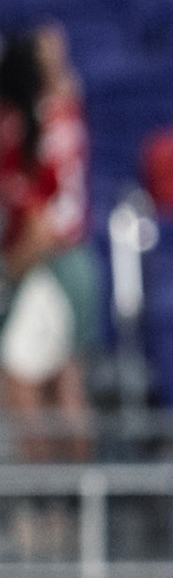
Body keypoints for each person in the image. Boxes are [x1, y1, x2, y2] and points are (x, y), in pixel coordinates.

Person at [0, 25, 98, 466]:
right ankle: (76, 502)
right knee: (63, 376)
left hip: (53, 261)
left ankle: (52, 501)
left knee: (23, 377)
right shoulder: (66, 109)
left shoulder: (38, 123)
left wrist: (11, 270)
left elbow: (39, 222)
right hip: (71, 258)